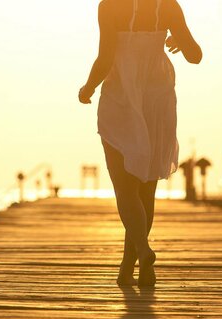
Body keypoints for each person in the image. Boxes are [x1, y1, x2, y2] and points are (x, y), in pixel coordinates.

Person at [78, 0, 202, 287]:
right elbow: (195, 56)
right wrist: (179, 41)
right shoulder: (168, 6)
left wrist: (87, 89)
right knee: (146, 190)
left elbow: (106, 58)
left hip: (121, 100)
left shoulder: (109, 6)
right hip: (158, 102)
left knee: (125, 188)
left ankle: (144, 251)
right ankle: (131, 267)